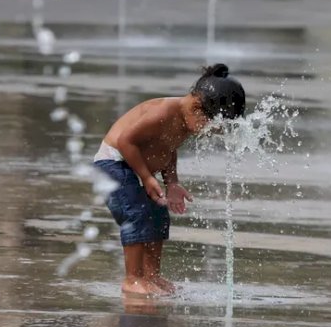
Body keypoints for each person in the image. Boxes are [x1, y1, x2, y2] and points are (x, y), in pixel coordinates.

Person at [94, 63, 246, 296]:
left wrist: (172, 183)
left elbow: (167, 149)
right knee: (137, 214)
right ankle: (132, 279)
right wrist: (145, 177)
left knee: (158, 215)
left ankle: (151, 275)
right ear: (197, 106)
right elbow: (126, 141)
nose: (212, 131)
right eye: (213, 124)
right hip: (114, 164)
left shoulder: (185, 121)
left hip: (137, 170)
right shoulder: (164, 111)